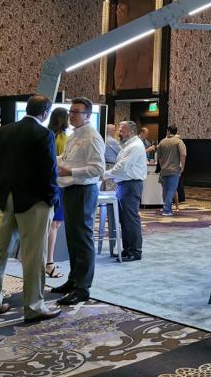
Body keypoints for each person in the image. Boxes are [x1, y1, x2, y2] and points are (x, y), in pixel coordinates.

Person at [0, 95, 61, 323]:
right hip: (35, 202)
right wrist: (52, 198)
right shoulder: (43, 134)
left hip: (6, 199)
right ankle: (34, 306)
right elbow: (49, 171)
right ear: (45, 113)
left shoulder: (3, 132)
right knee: (34, 255)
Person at [52, 97, 105, 305]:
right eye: (71, 111)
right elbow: (65, 158)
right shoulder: (74, 135)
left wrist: (71, 171)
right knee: (73, 237)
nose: (71, 115)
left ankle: (83, 287)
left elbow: (98, 168)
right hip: (70, 189)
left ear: (87, 115)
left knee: (82, 238)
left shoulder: (92, 137)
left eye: (76, 112)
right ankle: (73, 280)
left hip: (83, 190)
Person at [103, 121, 147, 261]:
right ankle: (127, 250)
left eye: (122, 131)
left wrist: (104, 174)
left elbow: (122, 167)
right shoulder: (128, 145)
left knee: (130, 219)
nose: (119, 133)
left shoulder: (135, 146)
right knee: (124, 220)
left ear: (131, 132)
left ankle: (135, 251)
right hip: (124, 185)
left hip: (130, 185)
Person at [45, 107, 69, 280]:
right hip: (58, 184)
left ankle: (47, 260)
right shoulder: (63, 138)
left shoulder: (47, 135)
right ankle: (49, 263)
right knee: (54, 225)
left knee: (49, 224)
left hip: (46, 184)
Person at [154, 125, 186, 217]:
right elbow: (183, 155)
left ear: (168, 131)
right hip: (174, 170)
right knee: (171, 190)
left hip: (164, 170)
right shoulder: (179, 142)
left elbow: (159, 157)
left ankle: (166, 208)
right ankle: (167, 210)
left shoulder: (162, 142)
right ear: (176, 132)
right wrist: (182, 166)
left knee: (165, 190)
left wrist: (162, 166)